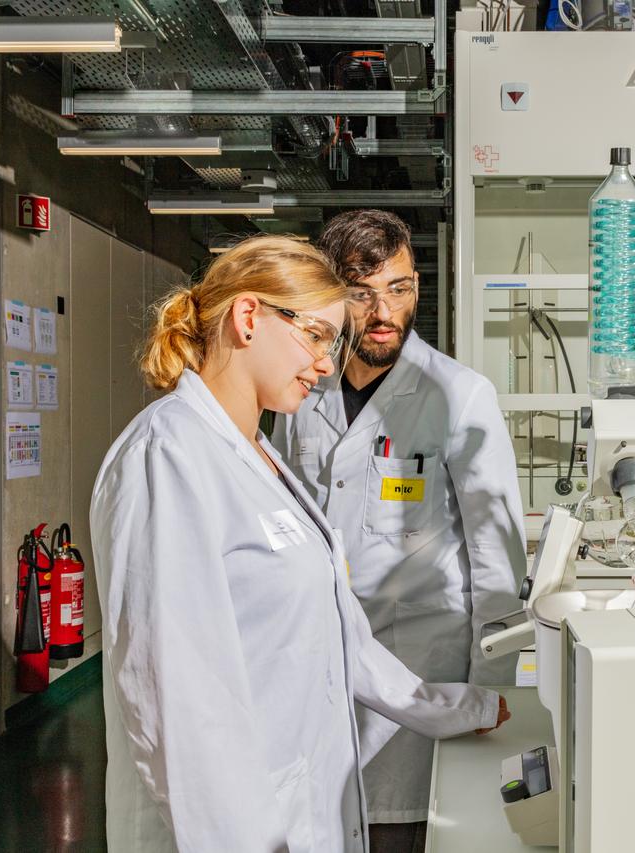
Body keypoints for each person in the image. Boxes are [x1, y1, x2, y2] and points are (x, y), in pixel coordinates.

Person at [90, 235, 508, 853]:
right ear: (248, 316)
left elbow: (337, 634)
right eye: (315, 336)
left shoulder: (257, 453)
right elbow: (174, 701)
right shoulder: (169, 455)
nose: (325, 364)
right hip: (233, 828)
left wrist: (457, 707)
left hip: (301, 803)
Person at [272, 211, 526, 849]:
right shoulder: (300, 391)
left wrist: (488, 689)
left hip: (419, 669)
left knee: (400, 831)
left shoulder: (459, 395)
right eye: (361, 294)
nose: (384, 312)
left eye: (400, 288)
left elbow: (497, 561)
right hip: (318, 663)